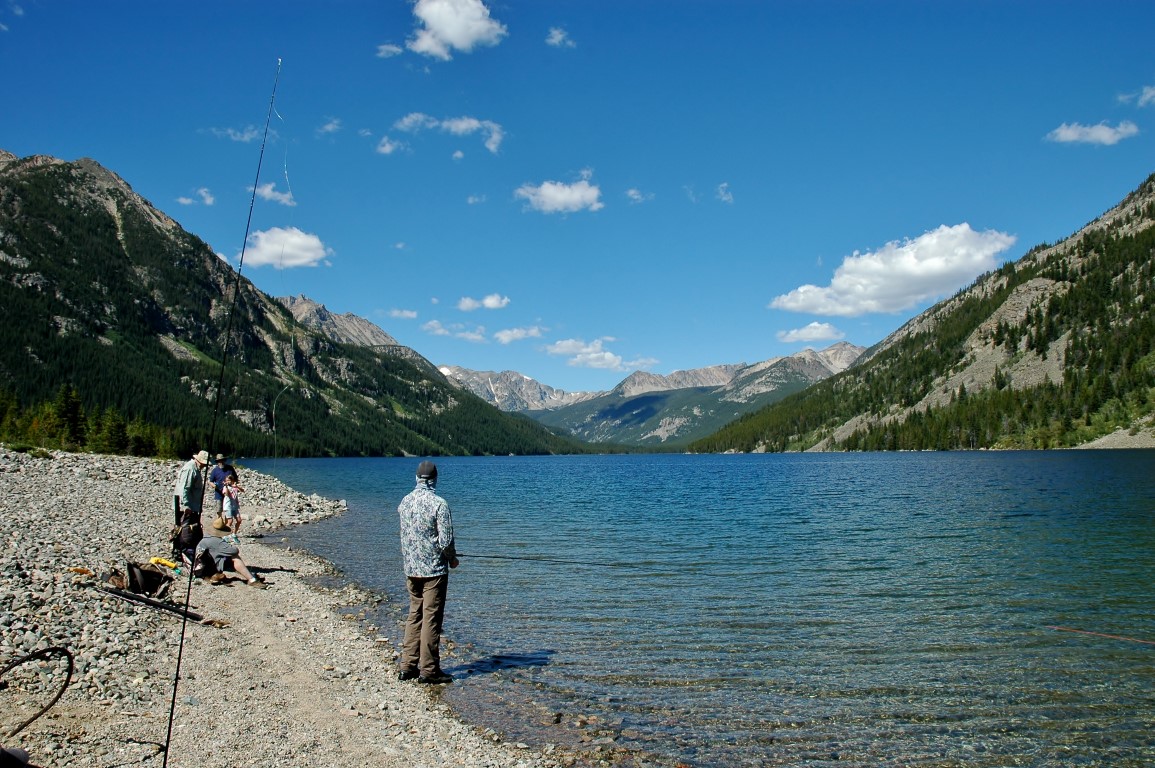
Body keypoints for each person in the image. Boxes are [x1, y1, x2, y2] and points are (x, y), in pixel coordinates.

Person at [397, 460, 458, 684]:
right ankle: (429, 670)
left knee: (415, 615)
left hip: (411, 569)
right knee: (431, 619)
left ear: (416, 478)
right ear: (434, 480)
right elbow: (446, 541)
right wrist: (452, 559)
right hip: (433, 571)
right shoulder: (438, 504)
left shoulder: (405, 502)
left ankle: (407, 666)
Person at [194, 535, 266, 588]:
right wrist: (228, 545)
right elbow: (234, 551)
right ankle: (252, 580)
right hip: (209, 569)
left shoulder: (205, 539)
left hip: (202, 568)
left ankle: (250, 574)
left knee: (225, 557)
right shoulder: (216, 540)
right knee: (235, 558)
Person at [173, 450, 209, 525]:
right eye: (204, 464)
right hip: (187, 508)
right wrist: (186, 506)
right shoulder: (190, 469)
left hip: (192, 506)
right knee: (185, 531)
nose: (204, 466)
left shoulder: (195, 468)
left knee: (191, 530)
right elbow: (184, 488)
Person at [221, 474, 244, 538]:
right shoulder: (225, 487)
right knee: (230, 521)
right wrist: (226, 486)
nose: (228, 481)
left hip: (235, 506)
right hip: (228, 506)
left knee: (239, 520)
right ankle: (225, 534)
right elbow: (227, 494)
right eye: (227, 480)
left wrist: (236, 486)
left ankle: (234, 533)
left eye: (229, 480)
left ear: (232, 480)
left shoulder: (235, 487)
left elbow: (243, 490)